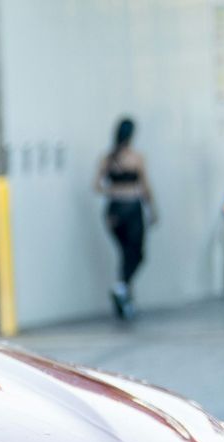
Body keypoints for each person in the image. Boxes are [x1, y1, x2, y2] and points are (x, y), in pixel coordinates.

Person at [94, 117, 156, 320]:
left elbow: (97, 186)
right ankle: (122, 287)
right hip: (131, 208)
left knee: (126, 253)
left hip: (114, 209)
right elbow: (145, 186)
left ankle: (125, 296)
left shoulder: (108, 159)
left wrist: (113, 190)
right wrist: (152, 209)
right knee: (136, 253)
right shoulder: (136, 158)